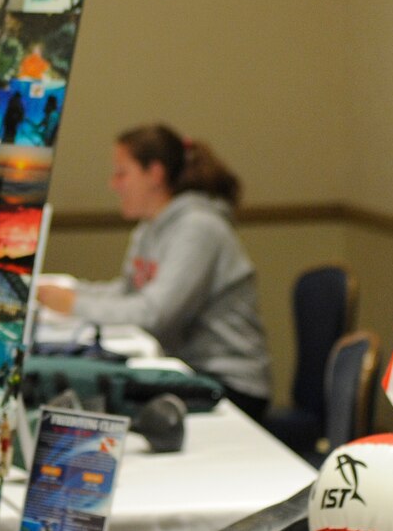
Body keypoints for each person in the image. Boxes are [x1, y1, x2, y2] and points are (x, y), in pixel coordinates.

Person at [34, 123, 274, 415]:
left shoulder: (198, 227)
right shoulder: (151, 226)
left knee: (99, 398)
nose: (113, 184)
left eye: (122, 173)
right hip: (185, 369)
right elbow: (128, 291)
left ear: (155, 174)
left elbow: (155, 314)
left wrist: (75, 304)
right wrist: (69, 291)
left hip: (228, 382)